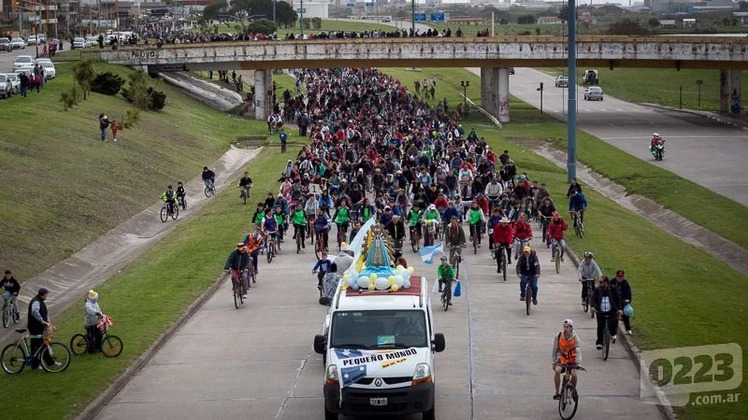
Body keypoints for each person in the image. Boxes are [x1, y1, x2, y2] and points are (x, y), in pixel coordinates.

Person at [552, 319, 583, 400]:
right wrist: (553, 362)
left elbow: (578, 351)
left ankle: (573, 390)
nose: (565, 329)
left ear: (571, 328)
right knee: (557, 371)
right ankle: (557, 392)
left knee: (574, 374)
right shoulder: (558, 336)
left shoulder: (575, 337)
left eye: (567, 327)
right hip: (561, 358)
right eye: (564, 327)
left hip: (572, 359)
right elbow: (555, 350)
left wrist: (578, 363)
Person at [28, 288, 56, 370]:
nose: (47, 295)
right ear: (43, 295)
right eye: (47, 294)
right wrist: (42, 321)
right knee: (42, 344)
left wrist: (49, 324)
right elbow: (34, 311)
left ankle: (35, 365)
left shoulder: (41, 302)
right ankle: (49, 363)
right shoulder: (36, 301)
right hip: (35, 327)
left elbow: (45, 314)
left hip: (39, 326)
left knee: (37, 345)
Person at [591, 276, 622, 349]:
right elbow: (592, 298)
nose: (599, 284)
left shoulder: (613, 289)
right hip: (600, 312)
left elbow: (618, 299)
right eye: (599, 282)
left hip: (611, 311)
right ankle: (599, 343)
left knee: (614, 322)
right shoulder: (597, 290)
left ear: (606, 283)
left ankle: (613, 333)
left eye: (601, 282)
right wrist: (593, 306)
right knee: (600, 327)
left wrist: (620, 309)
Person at [613, 270, 633, 335]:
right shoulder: (612, 282)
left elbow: (628, 293)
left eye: (621, 277)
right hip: (613, 302)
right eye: (618, 277)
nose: (620, 278)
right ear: (616, 276)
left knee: (625, 315)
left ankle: (628, 329)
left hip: (622, 302)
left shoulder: (625, 284)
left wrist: (628, 299)